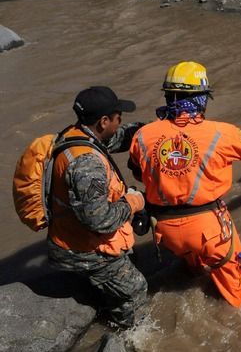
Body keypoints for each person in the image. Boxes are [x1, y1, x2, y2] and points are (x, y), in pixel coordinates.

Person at [128, 61, 241, 307]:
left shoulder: (142, 135)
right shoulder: (222, 133)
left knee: (193, 264)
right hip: (207, 228)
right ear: (201, 99)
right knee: (237, 287)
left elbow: (139, 174)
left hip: (165, 230)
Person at [47, 86, 148, 328]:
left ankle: (103, 301)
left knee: (132, 261)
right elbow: (99, 220)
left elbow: (117, 137)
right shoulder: (87, 164)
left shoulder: (76, 134)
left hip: (69, 234)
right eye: (117, 117)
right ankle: (126, 333)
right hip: (81, 251)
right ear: (103, 121)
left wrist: (152, 129)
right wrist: (134, 201)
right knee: (136, 289)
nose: (120, 120)